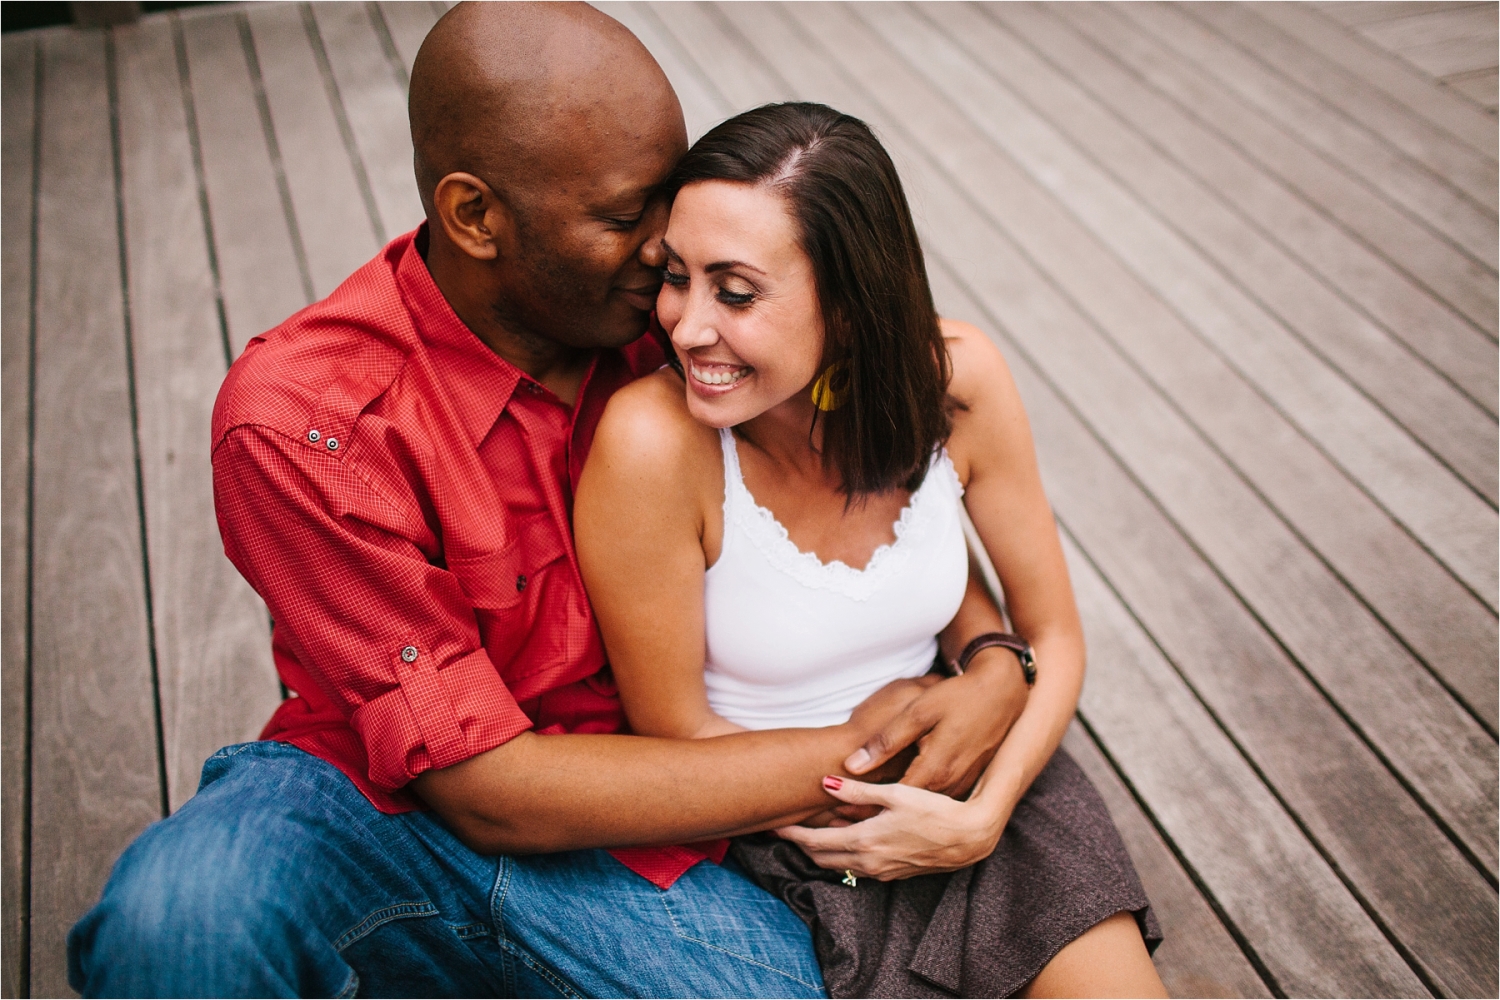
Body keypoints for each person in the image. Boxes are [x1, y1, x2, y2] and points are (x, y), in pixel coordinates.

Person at [66, 5, 1032, 997]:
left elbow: (870, 501)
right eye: (624, 217)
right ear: (475, 217)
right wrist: (873, 746)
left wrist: (997, 659)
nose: (666, 250)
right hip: (373, 805)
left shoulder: (689, 326)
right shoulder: (306, 420)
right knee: (180, 922)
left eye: (668, 204)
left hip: (653, 832)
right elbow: (483, 789)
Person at [574, 104, 1166, 997]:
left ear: (849, 307)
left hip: (983, 776)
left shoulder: (959, 382)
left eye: (735, 292)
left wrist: (984, 811)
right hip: (796, 844)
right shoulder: (653, 442)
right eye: (677, 277)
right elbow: (676, 732)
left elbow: (1055, 635)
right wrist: (879, 765)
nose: (686, 326)